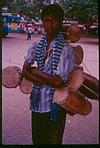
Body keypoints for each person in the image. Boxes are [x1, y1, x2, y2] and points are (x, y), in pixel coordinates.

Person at [21, 4, 77, 144]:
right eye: (46, 20)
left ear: (60, 21)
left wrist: (35, 71)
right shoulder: (36, 45)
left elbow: (59, 82)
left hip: (55, 105)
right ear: (42, 21)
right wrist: (45, 78)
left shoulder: (66, 50)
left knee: (53, 141)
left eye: (54, 20)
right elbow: (24, 71)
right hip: (37, 102)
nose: (49, 24)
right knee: (38, 141)